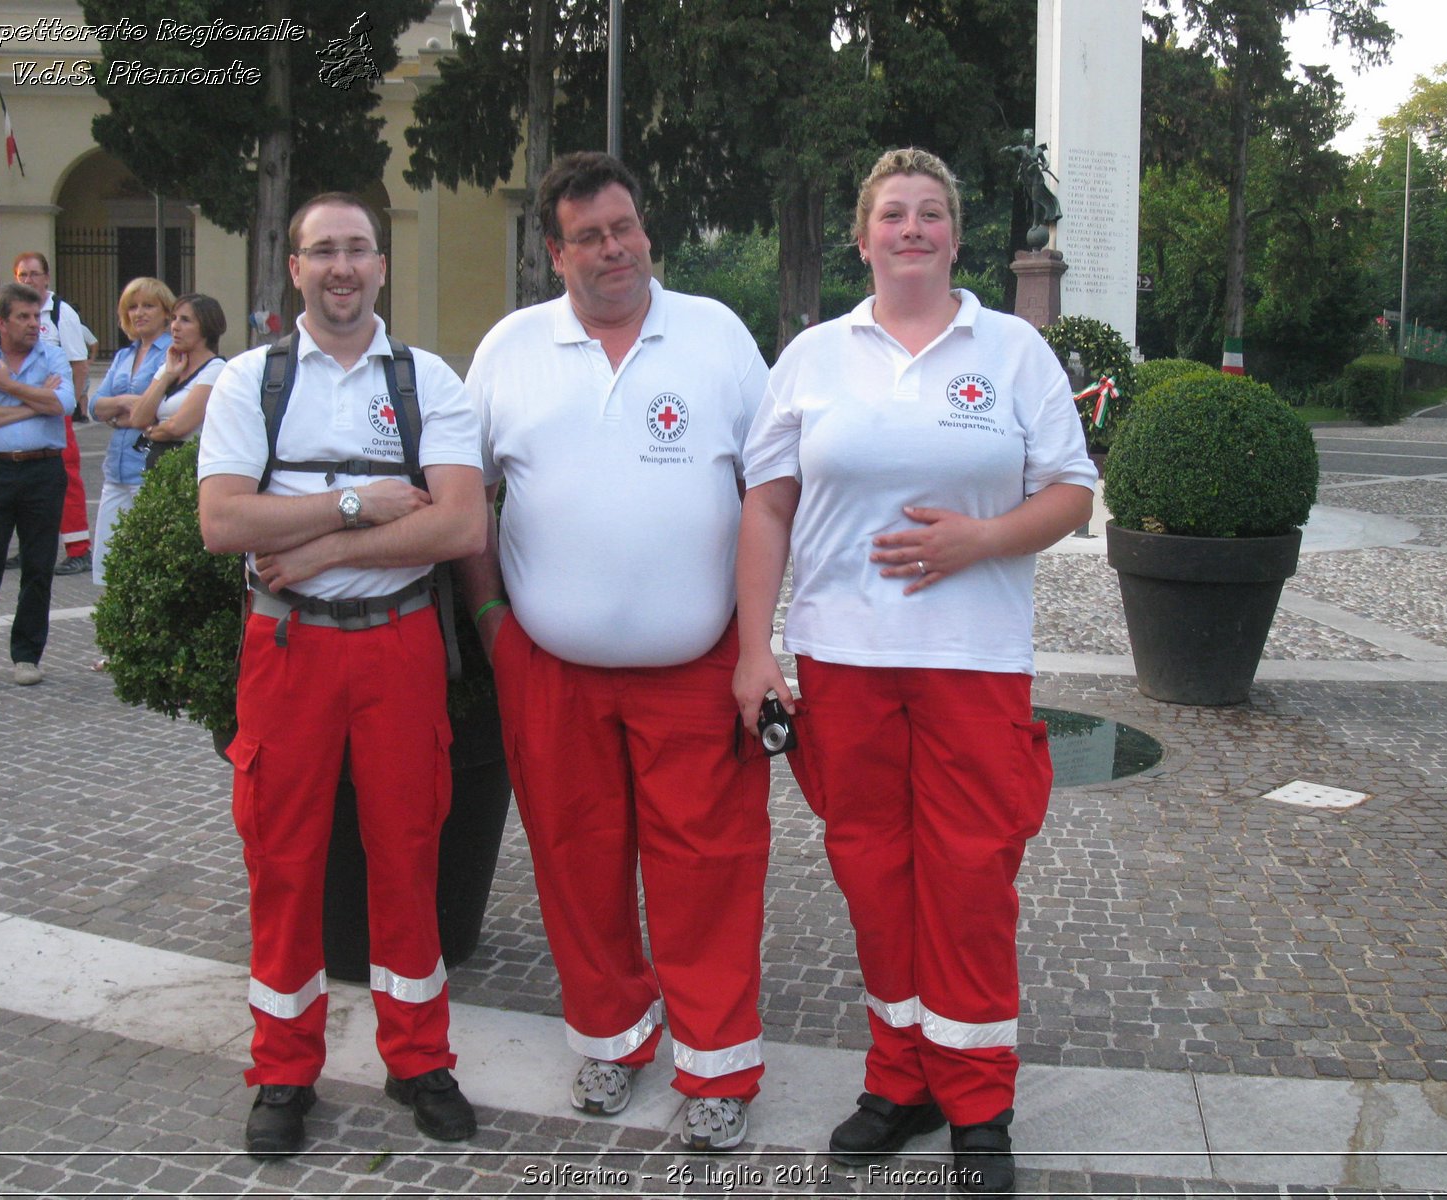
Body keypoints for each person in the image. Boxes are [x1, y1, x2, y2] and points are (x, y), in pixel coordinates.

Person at [733, 148, 1097, 1195]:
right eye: (891, 214)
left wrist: (976, 541)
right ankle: (901, 1081)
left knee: (972, 879)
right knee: (874, 876)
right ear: (862, 238)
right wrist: (757, 648)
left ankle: (978, 1098)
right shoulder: (809, 357)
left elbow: (1069, 491)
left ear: (954, 234)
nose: (910, 229)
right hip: (844, 660)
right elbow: (766, 506)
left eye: (930, 213)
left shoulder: (1014, 349)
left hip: (972, 662)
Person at [458, 151, 771, 1152]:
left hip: (694, 666)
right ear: (554, 253)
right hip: (550, 668)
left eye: (624, 227)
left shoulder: (716, 337)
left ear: (648, 233)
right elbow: (466, 505)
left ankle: (716, 1069)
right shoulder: (508, 348)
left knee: (708, 869)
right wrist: (493, 622)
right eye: (588, 235)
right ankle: (611, 1039)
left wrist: (759, 644)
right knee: (574, 862)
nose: (613, 249)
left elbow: (774, 496)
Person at [198, 192, 486, 1158]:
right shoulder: (252, 380)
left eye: (358, 249)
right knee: (283, 859)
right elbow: (225, 523)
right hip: (288, 651)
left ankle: (419, 1059)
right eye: (323, 251)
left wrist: (317, 543)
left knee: (409, 852)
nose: (342, 268)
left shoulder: (428, 379)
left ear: (382, 263)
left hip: (398, 644)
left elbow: (457, 524)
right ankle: (283, 1071)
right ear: (294, 268)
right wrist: (360, 500)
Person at [0, 283, 74, 693]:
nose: (33, 325)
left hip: (43, 471)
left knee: (38, 566)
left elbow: (64, 404)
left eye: (36, 317)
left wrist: (7, 389)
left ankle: (27, 655)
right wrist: (33, 403)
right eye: (23, 317)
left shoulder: (51, 354)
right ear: (0, 322)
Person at [0, 254, 94, 574]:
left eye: (34, 274)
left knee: (66, 478)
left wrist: (68, 405)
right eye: (22, 275)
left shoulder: (62, 313)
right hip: (16, 412)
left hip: (52, 413)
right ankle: (26, 546)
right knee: (21, 480)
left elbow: (78, 363)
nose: (28, 280)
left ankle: (78, 548)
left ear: (46, 277)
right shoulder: (4, 316)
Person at [88, 277, 173, 585]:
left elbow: (159, 408)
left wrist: (129, 413)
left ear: (166, 312)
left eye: (148, 305)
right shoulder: (124, 356)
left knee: (146, 569)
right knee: (107, 567)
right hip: (116, 471)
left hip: (148, 468)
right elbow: (95, 406)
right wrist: (125, 402)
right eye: (133, 307)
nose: (139, 313)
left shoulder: (172, 353)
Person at [124, 293, 226, 471]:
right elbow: (137, 417)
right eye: (173, 319)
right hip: (159, 466)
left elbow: (177, 427)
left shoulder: (216, 369)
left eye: (185, 320)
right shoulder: (170, 366)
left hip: (190, 467)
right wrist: (168, 377)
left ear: (206, 328)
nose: (175, 327)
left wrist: (149, 432)